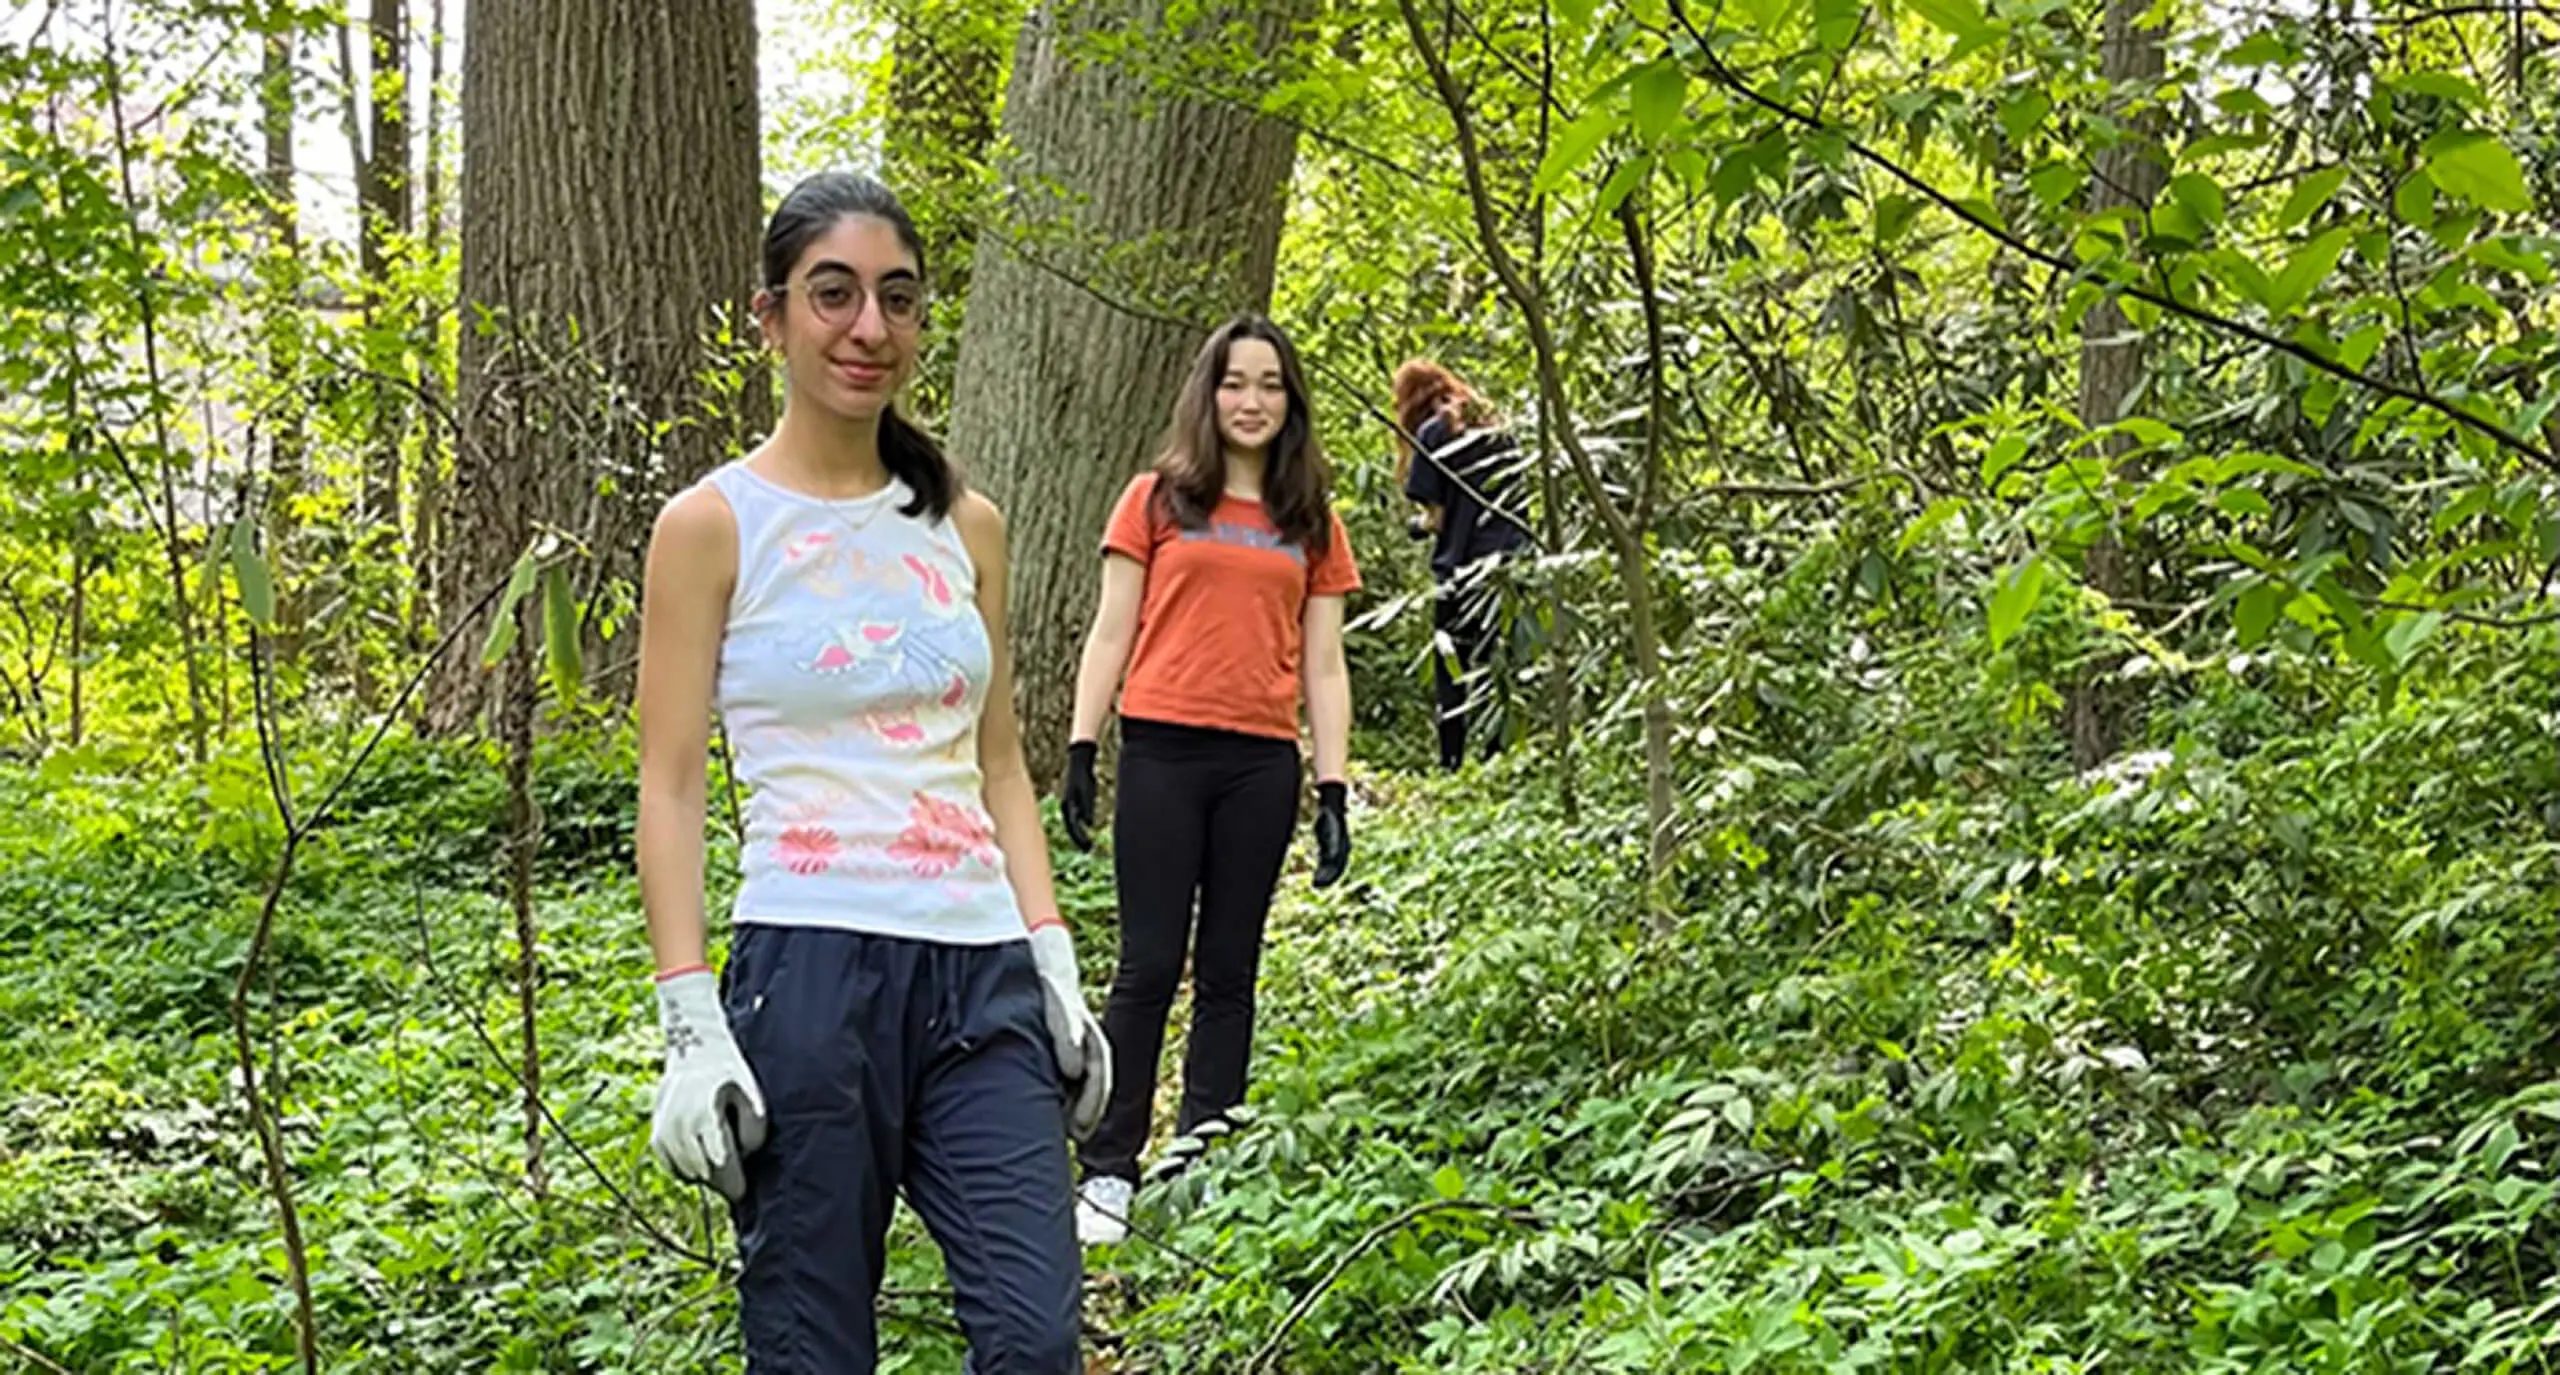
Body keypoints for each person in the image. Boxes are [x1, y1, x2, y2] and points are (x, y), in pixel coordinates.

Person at [632, 170, 1110, 1374]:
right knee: (811, 1348)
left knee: (1035, 1338)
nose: (867, 329)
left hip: (979, 974)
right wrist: (690, 1017)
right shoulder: (712, 526)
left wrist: (1050, 950)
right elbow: (672, 783)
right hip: (805, 974)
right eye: (832, 294)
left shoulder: (968, 524)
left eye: (896, 299)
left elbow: (999, 758)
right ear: (771, 316)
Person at [1056, 315, 1360, 1246]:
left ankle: (1204, 1160)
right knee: (1149, 966)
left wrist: (1333, 788)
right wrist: (1081, 744)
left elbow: (1325, 665)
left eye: (1271, 384)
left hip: (1259, 765)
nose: (1252, 401)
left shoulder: (1310, 520)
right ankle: (1109, 1167)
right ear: (1208, 393)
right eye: (1236, 383)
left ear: (1290, 401)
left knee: (1230, 970)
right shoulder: (1155, 500)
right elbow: (1111, 629)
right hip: (1160, 753)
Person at [1392, 360, 1530, 772]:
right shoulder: (1494, 425)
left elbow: (1436, 519)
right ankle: (1497, 760)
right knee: (1496, 664)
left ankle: (1451, 762)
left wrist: (1417, 527)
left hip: (1462, 568)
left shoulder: (1433, 433)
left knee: (1452, 667)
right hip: (1510, 562)